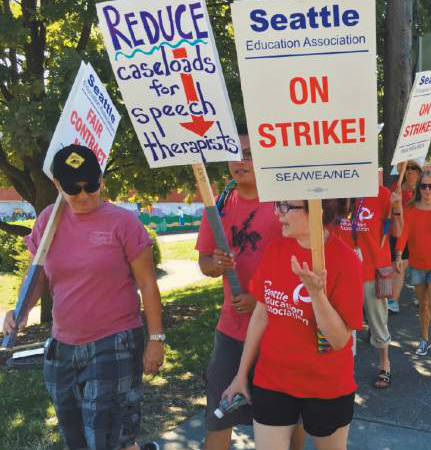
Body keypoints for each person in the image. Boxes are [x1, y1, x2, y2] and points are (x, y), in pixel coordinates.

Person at [3, 145, 163, 450]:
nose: (84, 195)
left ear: (101, 180)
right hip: (62, 347)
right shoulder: (48, 221)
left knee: (107, 437)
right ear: (56, 184)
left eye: (91, 185)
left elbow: (148, 285)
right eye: (72, 189)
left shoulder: (123, 223)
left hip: (114, 342)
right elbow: (38, 276)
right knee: (75, 439)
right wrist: (22, 311)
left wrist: (156, 338)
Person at [223, 199, 363, 450]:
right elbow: (261, 315)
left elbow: (340, 340)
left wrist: (317, 294)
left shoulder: (345, 259)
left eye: (287, 207)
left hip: (327, 386)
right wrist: (241, 374)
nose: (278, 212)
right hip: (273, 380)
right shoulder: (276, 249)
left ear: (316, 209)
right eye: (278, 204)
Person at [196, 132, 303, 450]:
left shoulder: (284, 206)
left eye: (248, 154)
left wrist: (262, 297)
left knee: (286, 417)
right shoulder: (217, 206)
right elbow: (203, 262)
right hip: (231, 329)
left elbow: (301, 263)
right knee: (219, 413)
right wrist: (215, 264)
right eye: (234, 154)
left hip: (279, 328)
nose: (239, 162)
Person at [335, 185, 400, 389]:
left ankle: (384, 364)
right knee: (343, 322)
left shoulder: (382, 194)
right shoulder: (337, 189)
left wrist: (396, 207)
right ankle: (343, 369)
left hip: (374, 270)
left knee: (378, 319)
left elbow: (397, 231)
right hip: (343, 272)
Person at [395, 170, 431, 371]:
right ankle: (424, 337)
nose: (427, 190)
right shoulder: (410, 209)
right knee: (423, 305)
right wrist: (399, 255)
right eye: (423, 186)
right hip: (418, 264)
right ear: (418, 188)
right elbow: (404, 234)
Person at [387, 160, 422, 313]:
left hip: (418, 235)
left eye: (413, 168)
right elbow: (387, 210)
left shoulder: (424, 190)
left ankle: (422, 297)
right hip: (398, 233)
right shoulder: (396, 188)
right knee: (398, 266)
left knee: (419, 268)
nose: (409, 171)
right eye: (407, 168)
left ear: (419, 171)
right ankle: (394, 301)